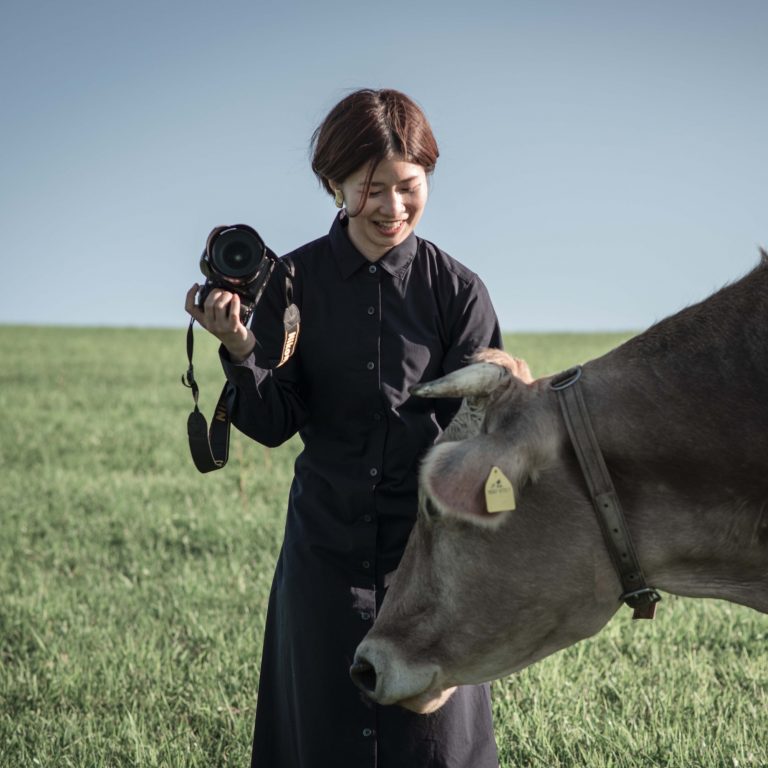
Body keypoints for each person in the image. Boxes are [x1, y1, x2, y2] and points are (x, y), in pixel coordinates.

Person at [185, 88, 502, 768]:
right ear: (334, 184)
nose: (392, 208)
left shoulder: (458, 293)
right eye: (371, 188)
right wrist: (240, 353)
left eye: (408, 187)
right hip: (323, 560)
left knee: (435, 751)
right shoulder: (289, 283)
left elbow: (479, 435)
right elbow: (273, 424)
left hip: (430, 566)